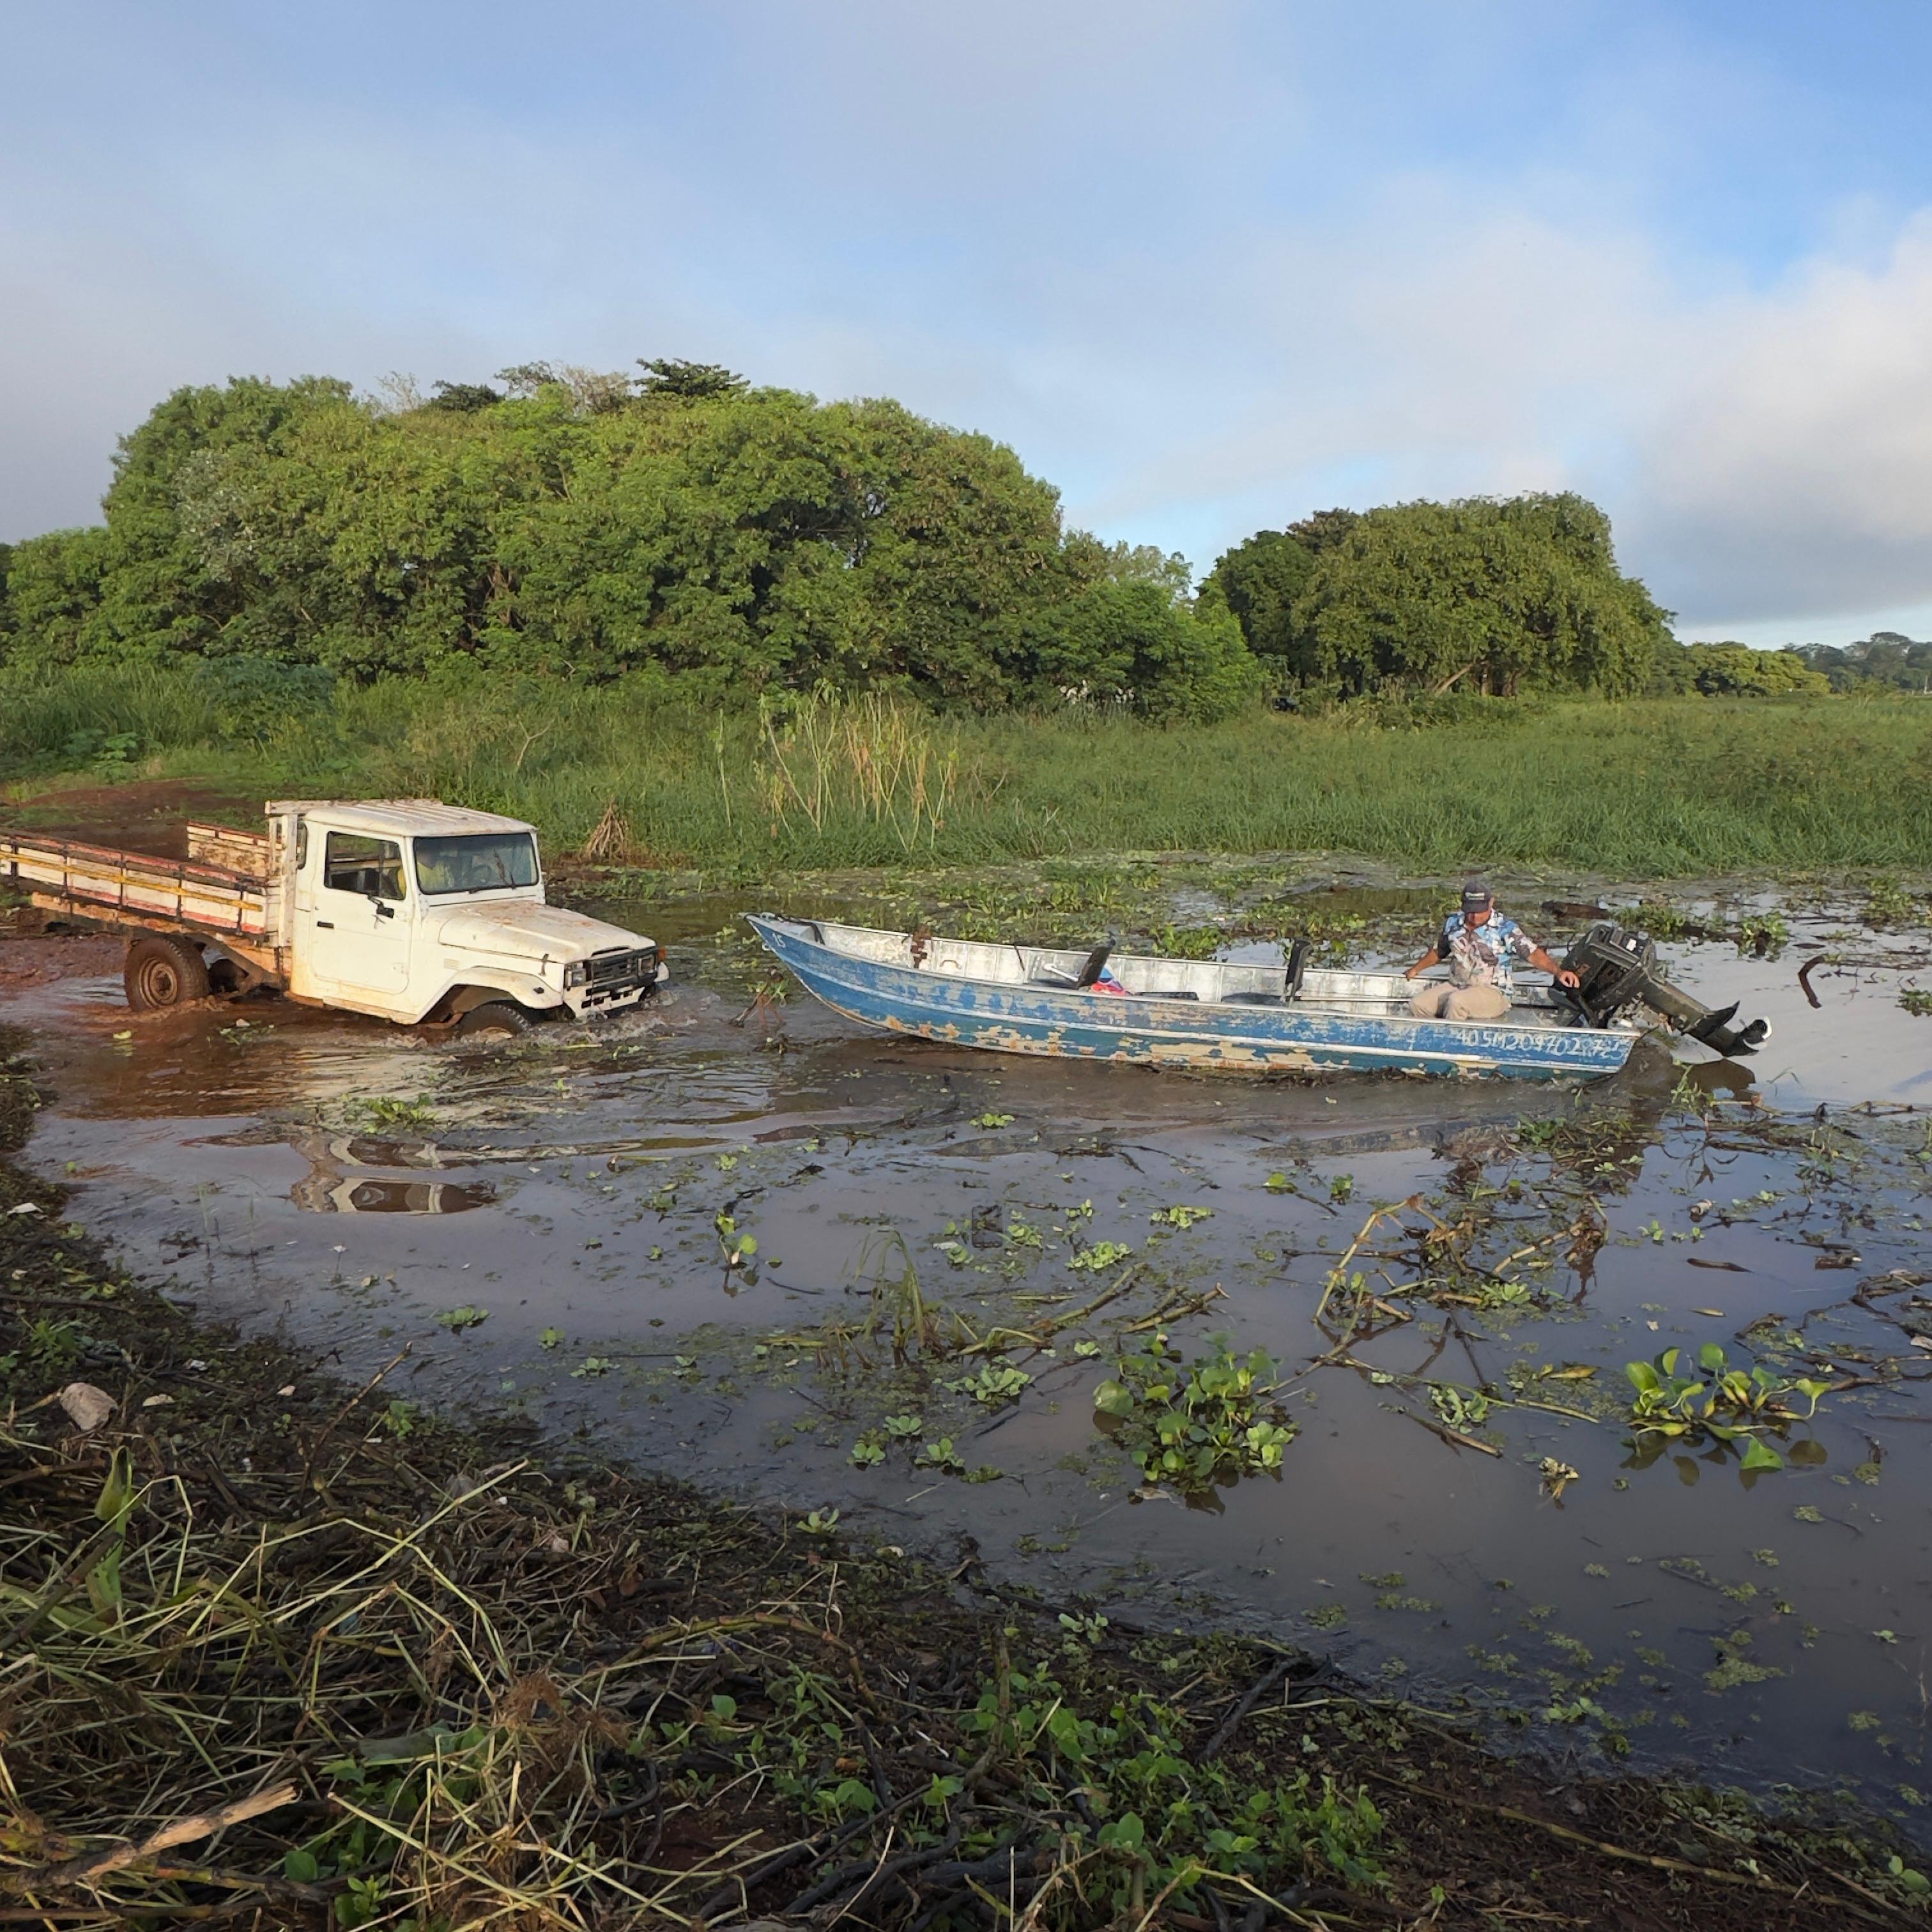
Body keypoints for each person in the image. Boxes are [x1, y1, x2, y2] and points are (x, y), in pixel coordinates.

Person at [1404, 878, 1580, 1021]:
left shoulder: (1505, 928)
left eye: (1480, 911)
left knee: (1457, 1002)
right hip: (1458, 985)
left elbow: (1533, 954)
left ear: (1491, 903)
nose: (1475, 916)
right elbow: (1439, 951)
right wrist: (1415, 969)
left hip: (1494, 992)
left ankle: (1454, 1043)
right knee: (1418, 1005)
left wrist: (1558, 972)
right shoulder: (1453, 923)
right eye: (1470, 911)